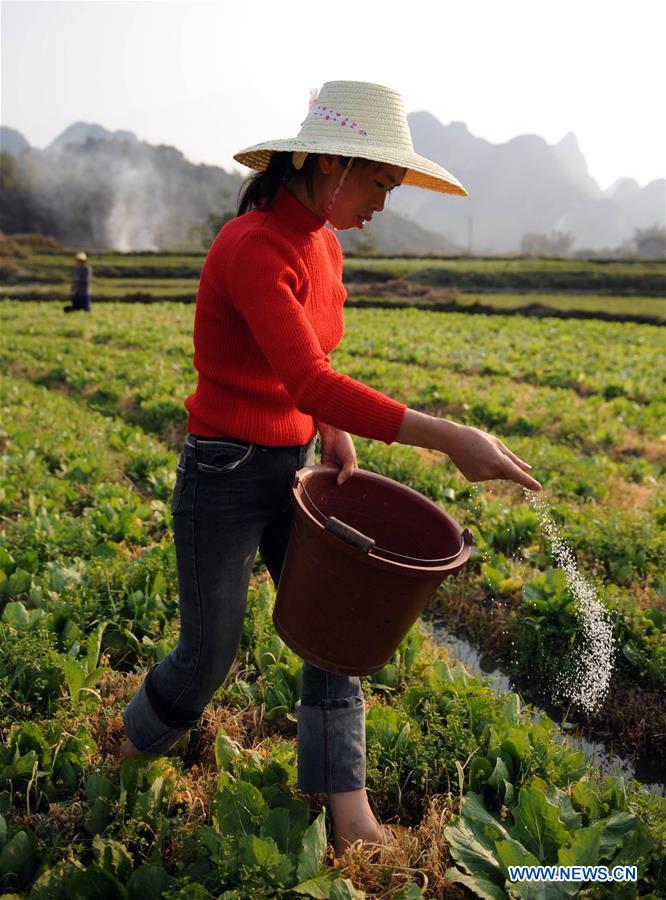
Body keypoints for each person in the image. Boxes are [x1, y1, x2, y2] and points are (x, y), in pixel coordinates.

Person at [119, 81, 541, 856]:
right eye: (379, 182)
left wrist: (332, 431)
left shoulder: (325, 242)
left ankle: (349, 814)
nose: (384, 200)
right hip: (225, 472)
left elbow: (312, 372)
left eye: (390, 185)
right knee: (206, 656)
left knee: (333, 629)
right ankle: (129, 747)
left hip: (299, 467)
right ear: (326, 164)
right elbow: (307, 377)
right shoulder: (252, 248)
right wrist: (446, 436)